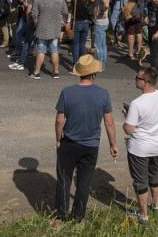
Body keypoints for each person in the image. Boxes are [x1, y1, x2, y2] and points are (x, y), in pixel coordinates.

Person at [54, 54, 119, 222]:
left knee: (64, 179)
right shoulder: (103, 94)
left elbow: (60, 120)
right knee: (84, 182)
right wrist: (113, 144)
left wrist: (58, 139)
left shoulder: (67, 92)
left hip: (69, 143)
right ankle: (78, 217)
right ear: (94, 74)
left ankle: (61, 216)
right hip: (91, 146)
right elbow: (109, 122)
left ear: (80, 74)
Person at [123, 66, 158, 224]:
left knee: (140, 181)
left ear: (146, 82)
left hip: (139, 148)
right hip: (157, 146)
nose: (135, 80)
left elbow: (129, 129)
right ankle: (156, 206)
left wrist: (127, 117)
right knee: (155, 175)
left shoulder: (137, 104)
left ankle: (143, 215)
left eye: (138, 78)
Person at [30, 0, 68, 80]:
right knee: (54, 50)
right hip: (55, 27)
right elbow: (65, 11)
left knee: (41, 50)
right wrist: (61, 19)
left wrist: (36, 22)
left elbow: (34, 13)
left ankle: (37, 72)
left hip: (42, 27)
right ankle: (56, 72)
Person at [70, 0, 93, 66]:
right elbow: (90, 13)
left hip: (77, 22)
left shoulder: (74, 0)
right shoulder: (88, 1)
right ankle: (83, 63)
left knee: (76, 44)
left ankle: (75, 63)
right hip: (86, 23)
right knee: (83, 44)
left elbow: (72, 11)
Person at [92, 0, 110, 68]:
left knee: (98, 45)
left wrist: (101, 11)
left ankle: (100, 64)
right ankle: (103, 63)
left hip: (100, 23)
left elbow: (106, 4)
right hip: (104, 22)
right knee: (103, 44)